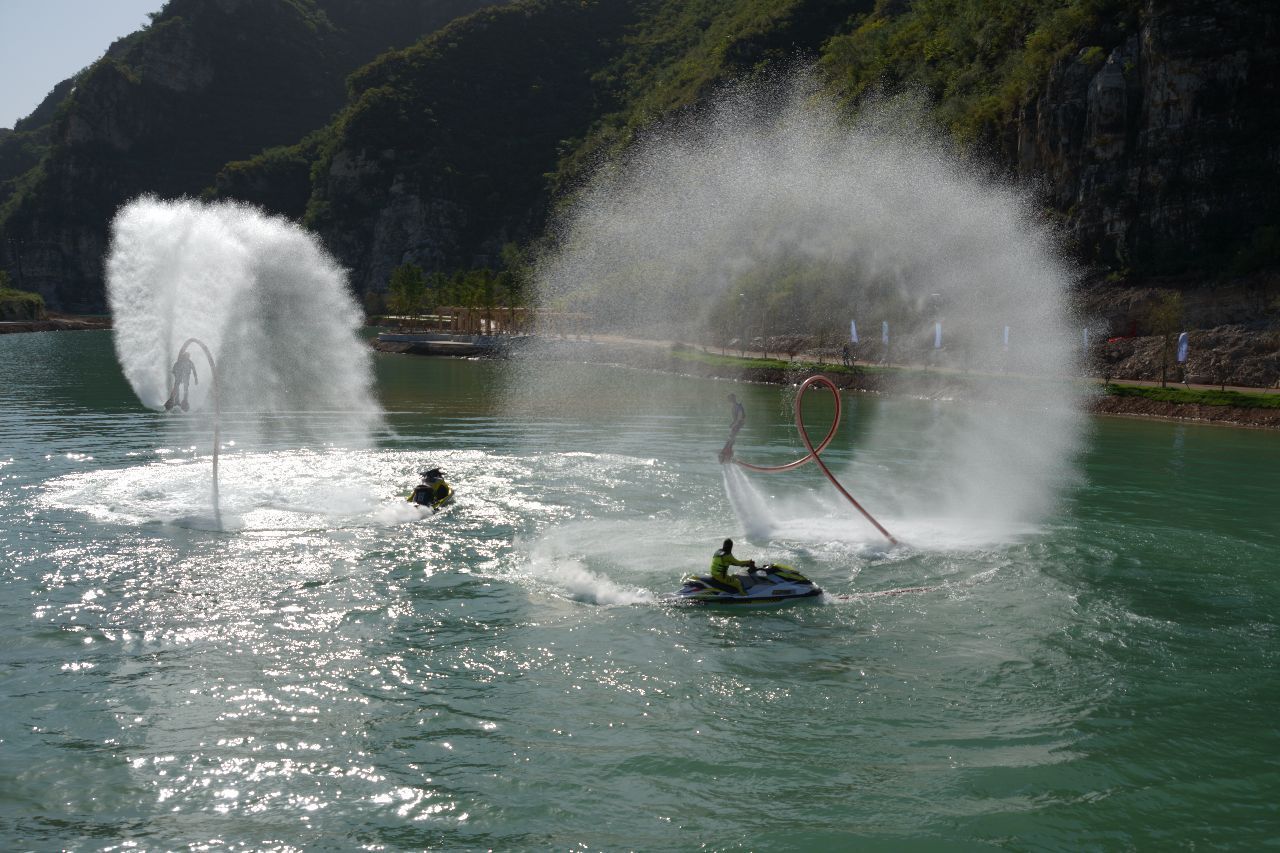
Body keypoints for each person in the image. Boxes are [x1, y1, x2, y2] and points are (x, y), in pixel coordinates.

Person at [718, 393, 747, 463]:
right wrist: (732, 423)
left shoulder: (738, 406)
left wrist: (735, 424)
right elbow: (736, 418)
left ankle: (726, 452)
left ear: (733, 398)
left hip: (738, 424)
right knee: (731, 438)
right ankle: (728, 452)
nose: (728, 400)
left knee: (731, 438)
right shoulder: (734, 406)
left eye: (729, 398)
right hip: (737, 424)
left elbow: (739, 417)